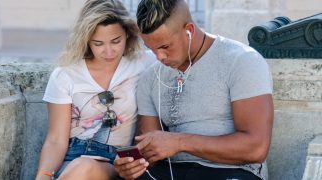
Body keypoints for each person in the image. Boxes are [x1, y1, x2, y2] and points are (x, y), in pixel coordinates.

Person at [114, 0, 274, 180]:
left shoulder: (242, 61)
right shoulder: (150, 78)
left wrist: (180, 142)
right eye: (151, 48)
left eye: (165, 47)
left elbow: (256, 148)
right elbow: (149, 152)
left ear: (189, 30)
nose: (159, 57)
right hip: (173, 172)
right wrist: (132, 165)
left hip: (230, 172)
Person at [35, 0, 155, 179]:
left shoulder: (144, 63)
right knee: (81, 167)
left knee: (85, 167)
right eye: (98, 43)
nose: (108, 51)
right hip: (73, 158)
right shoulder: (65, 74)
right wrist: (43, 175)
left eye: (116, 41)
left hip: (118, 161)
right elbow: (55, 140)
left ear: (127, 34)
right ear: (86, 41)